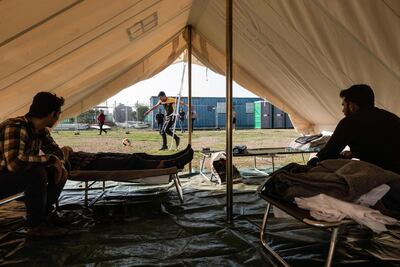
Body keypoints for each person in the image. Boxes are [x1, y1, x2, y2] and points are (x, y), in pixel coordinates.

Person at [307, 84, 400, 216]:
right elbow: (383, 145)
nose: (343, 110)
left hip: (385, 183)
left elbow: (328, 154)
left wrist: (313, 163)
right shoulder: (392, 117)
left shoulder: (350, 122)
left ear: (352, 105)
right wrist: (354, 153)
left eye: (343, 105)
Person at [0, 92, 69, 236]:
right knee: (35, 173)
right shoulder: (16, 127)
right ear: (52, 114)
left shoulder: (40, 130)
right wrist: (51, 160)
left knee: (63, 166)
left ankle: (45, 215)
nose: (58, 118)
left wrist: (59, 164)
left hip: (8, 176)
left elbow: (56, 152)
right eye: (58, 114)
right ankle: (36, 226)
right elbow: (14, 163)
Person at [63, 144, 193, 171]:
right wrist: (65, 152)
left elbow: (67, 149)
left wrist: (66, 151)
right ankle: (171, 163)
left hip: (93, 157)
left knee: (138, 155)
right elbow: (63, 153)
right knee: (132, 161)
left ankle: (173, 157)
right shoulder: (42, 138)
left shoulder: (45, 136)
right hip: (89, 165)